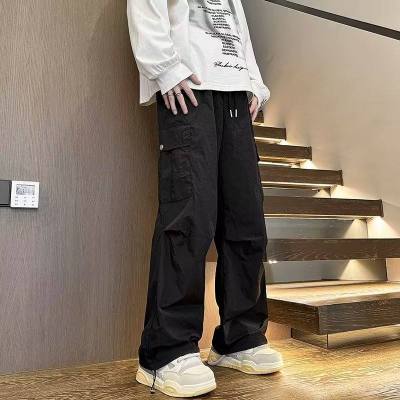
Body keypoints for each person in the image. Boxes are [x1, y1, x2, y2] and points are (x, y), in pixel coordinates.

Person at [127, 0, 283, 397]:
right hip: (189, 87)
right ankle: (165, 352)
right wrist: (164, 67)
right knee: (188, 217)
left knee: (247, 219)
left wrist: (255, 84)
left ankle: (240, 337)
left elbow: (237, 30)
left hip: (235, 95)